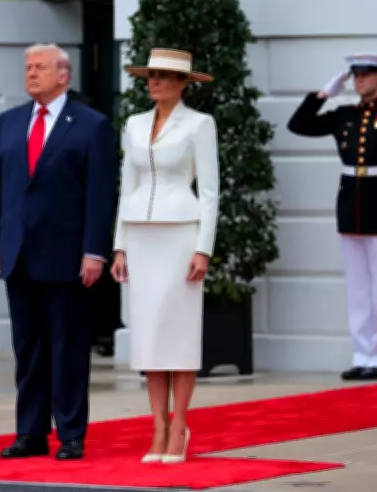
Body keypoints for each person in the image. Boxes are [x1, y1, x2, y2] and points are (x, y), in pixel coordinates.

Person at [0, 43, 118, 461]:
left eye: (39, 67)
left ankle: (71, 432)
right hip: (19, 256)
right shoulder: (9, 122)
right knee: (29, 350)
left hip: (67, 257)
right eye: (27, 67)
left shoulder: (91, 125)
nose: (31, 73)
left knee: (68, 349)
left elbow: (100, 195)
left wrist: (95, 251)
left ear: (64, 76)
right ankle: (31, 432)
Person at [110, 48, 219, 464]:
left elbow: (209, 191)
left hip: (180, 234)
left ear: (182, 83)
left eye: (163, 76)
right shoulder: (135, 125)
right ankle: (156, 425)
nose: (153, 82)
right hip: (141, 236)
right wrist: (119, 245)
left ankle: (180, 424)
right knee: (150, 335)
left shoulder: (199, 124)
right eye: (150, 75)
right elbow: (128, 185)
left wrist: (203, 248)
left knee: (180, 333)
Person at [287, 53, 377, 382]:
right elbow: (298, 125)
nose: (360, 81)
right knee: (358, 290)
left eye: (366, 75)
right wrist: (322, 95)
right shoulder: (343, 115)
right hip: (350, 206)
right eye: (355, 76)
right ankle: (362, 354)